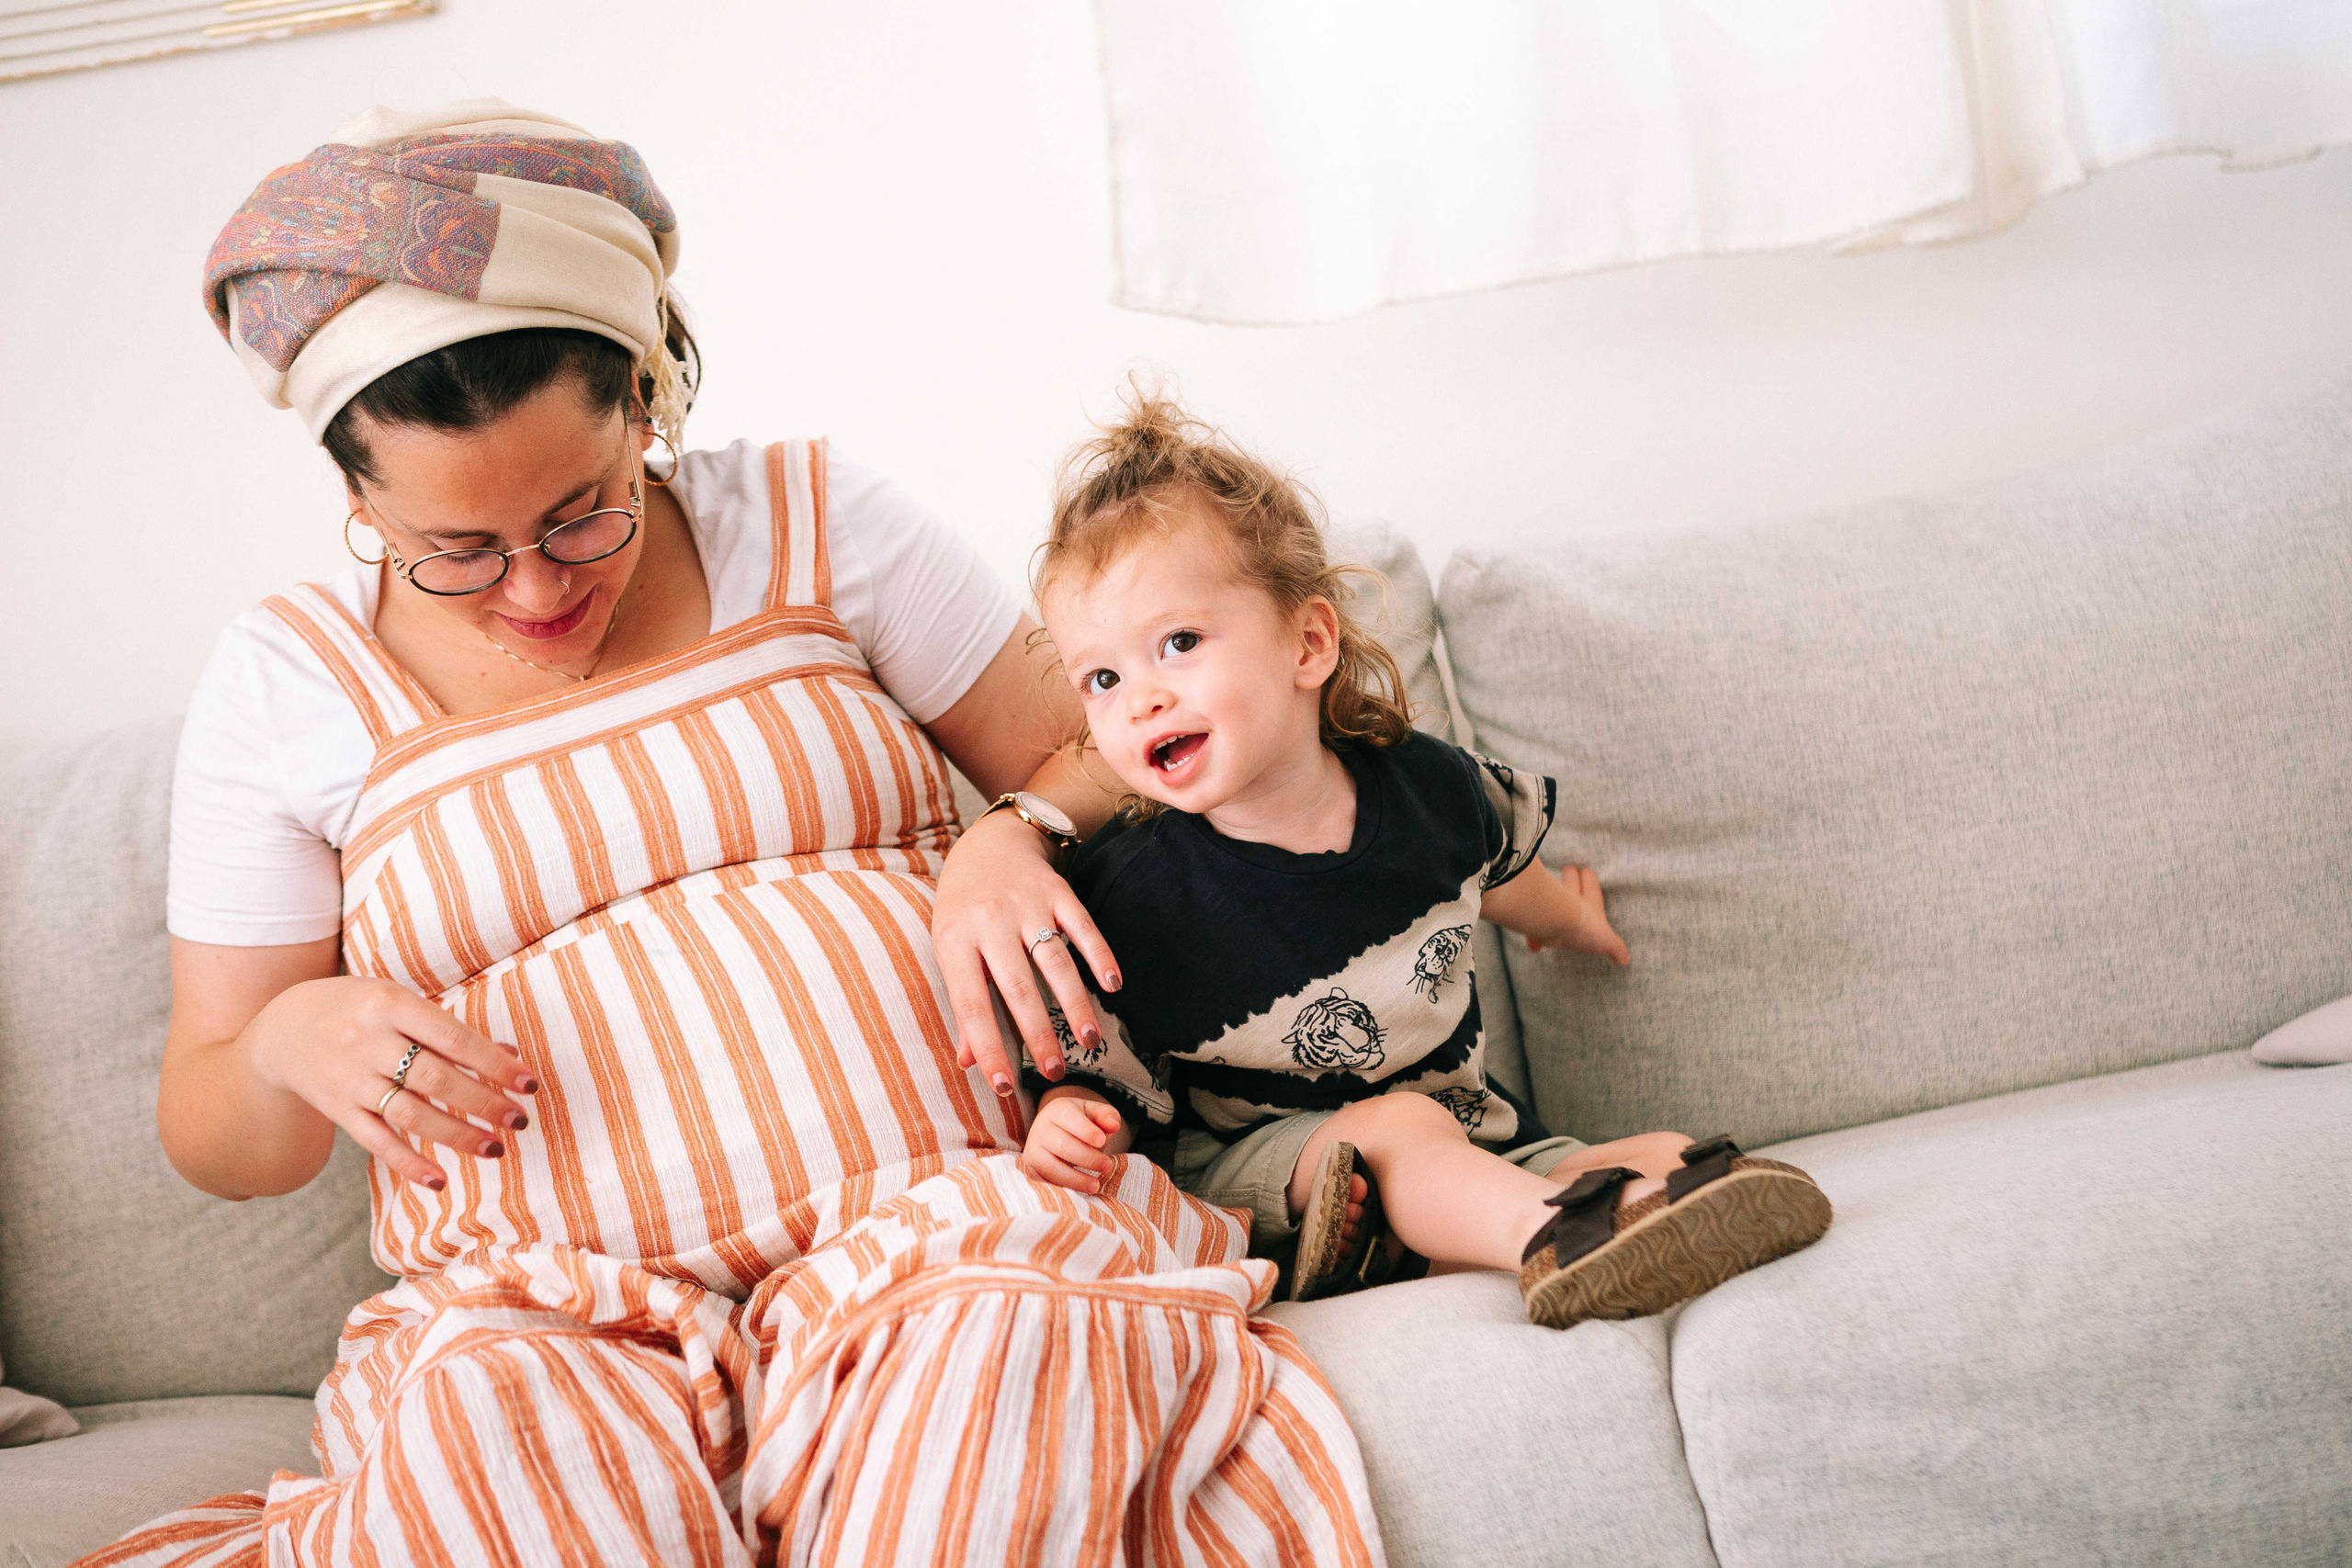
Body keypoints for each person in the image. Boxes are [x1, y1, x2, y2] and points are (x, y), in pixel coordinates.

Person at [95, 102, 1379, 1566]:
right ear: (356, 494)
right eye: (453, 551)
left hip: (942, 1225)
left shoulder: (815, 516)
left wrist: (1009, 829)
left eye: (583, 514)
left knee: (1004, 1341)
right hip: (544, 1305)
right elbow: (218, 1128)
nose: (531, 593)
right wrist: (285, 1037)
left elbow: (1109, 749)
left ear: (647, 398)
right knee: (492, 1441)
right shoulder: (288, 683)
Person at [1014, 394, 1834, 1321]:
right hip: (1266, 1175)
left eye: (1179, 643)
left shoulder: (1424, 789)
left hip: (1461, 1131)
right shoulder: (1135, 894)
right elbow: (1099, 1055)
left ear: (1308, 642)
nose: (1141, 700)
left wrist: (1571, 922)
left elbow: (1492, 874)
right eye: (1103, 678)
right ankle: (1548, 1240)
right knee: (1397, 1132)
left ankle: (1561, 1223)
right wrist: (1071, 1119)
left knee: (1656, 1151)